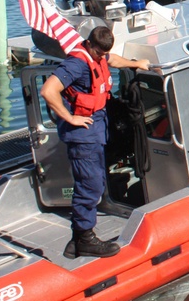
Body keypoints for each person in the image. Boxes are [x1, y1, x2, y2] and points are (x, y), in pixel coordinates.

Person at [40, 26, 150, 259]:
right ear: (89, 45)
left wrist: (136, 63)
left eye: (104, 53)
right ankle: (85, 239)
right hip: (83, 133)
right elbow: (49, 91)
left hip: (96, 126)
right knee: (90, 186)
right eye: (99, 53)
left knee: (96, 181)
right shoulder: (77, 64)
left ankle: (76, 240)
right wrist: (69, 117)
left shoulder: (97, 55)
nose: (102, 57)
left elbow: (114, 60)